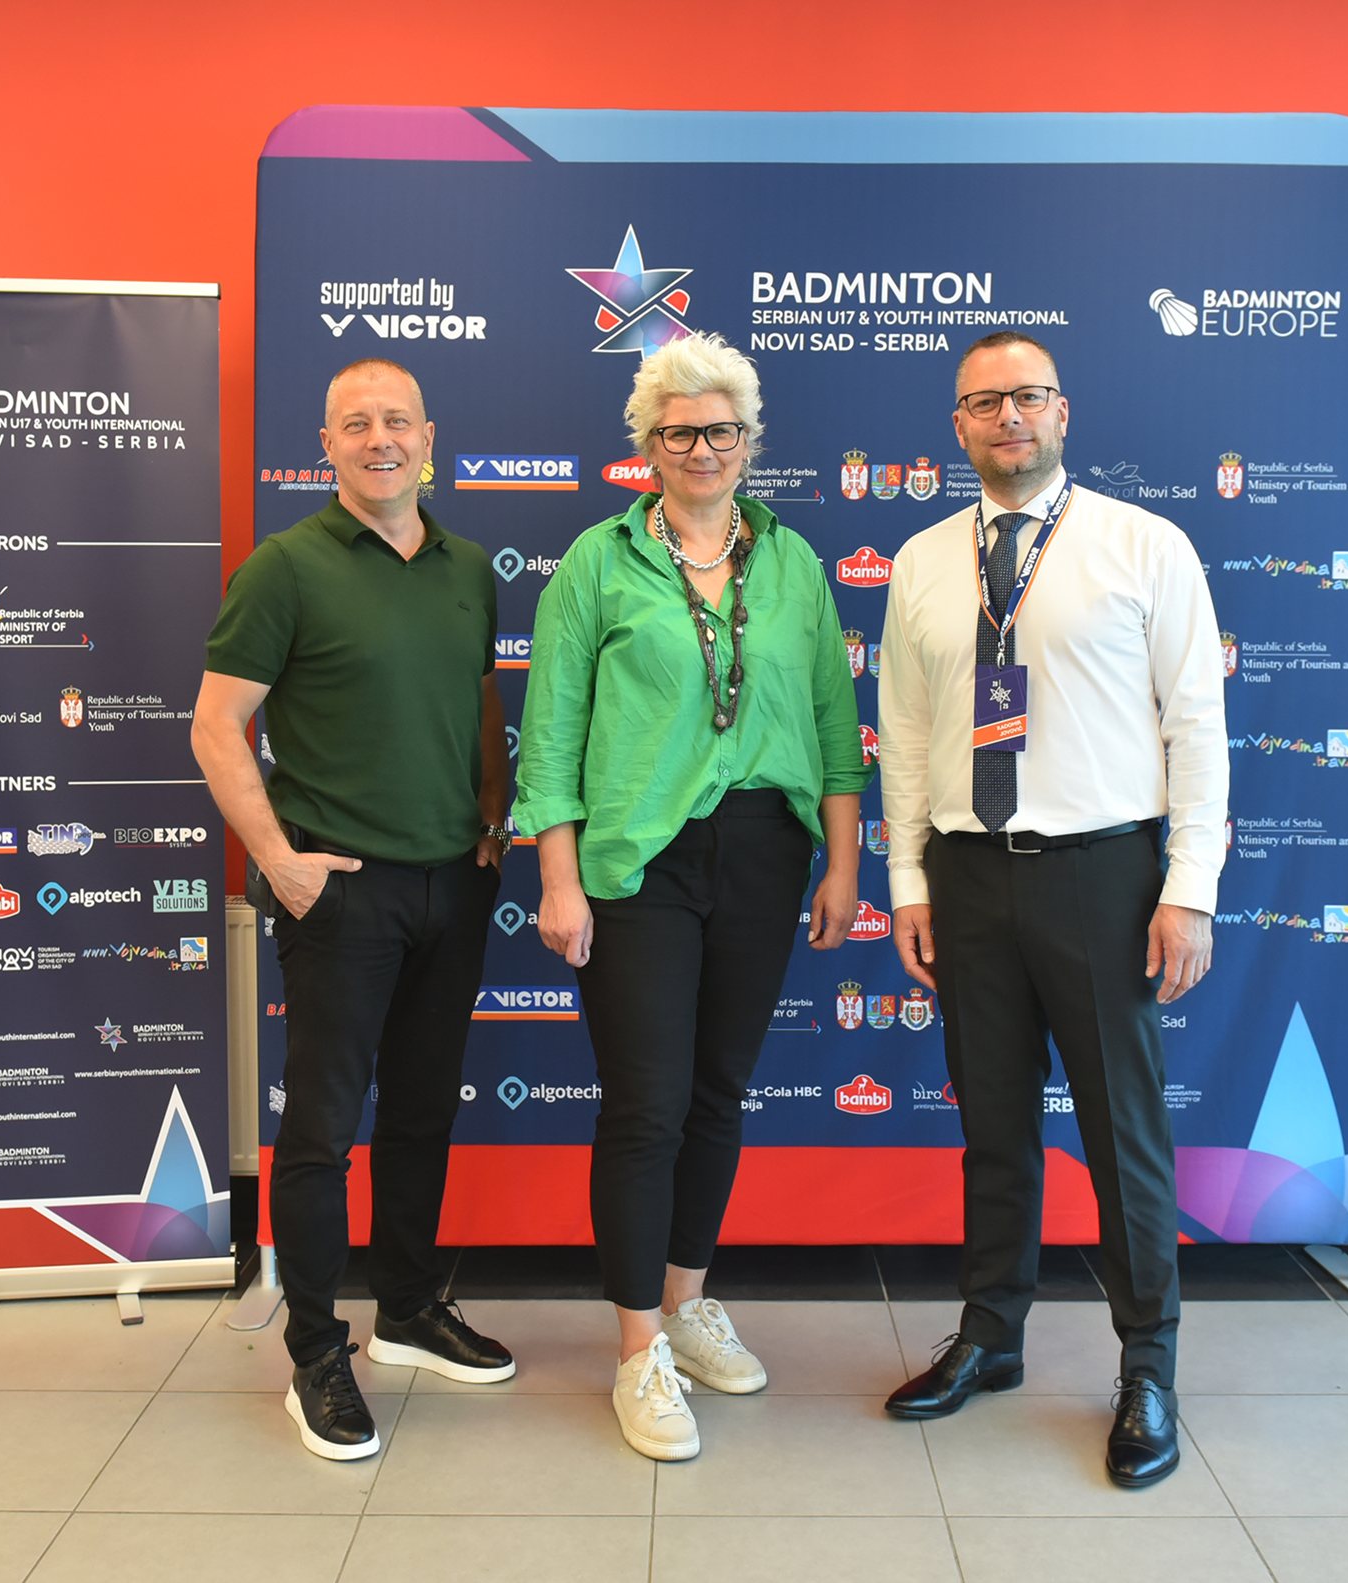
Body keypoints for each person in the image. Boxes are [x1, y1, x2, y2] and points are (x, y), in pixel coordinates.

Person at [875, 331, 1228, 1489]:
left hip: (1101, 872)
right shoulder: (923, 560)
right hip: (969, 872)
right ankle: (991, 1332)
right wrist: (910, 880)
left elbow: (1196, 725)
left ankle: (1148, 1364)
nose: (1007, 417)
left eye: (1026, 396)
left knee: (1123, 1130)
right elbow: (907, 733)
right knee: (992, 1121)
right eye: (983, 402)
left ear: (1061, 411)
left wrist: (1188, 888)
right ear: (958, 425)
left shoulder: (1142, 543)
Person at [514, 333, 867, 1462]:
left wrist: (844, 861)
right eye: (678, 432)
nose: (701, 448)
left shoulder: (793, 561)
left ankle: (685, 1301)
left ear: (749, 441)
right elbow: (551, 732)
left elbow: (833, 724)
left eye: (720, 430)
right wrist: (557, 876)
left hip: (765, 851)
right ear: (647, 447)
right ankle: (635, 1352)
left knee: (718, 1092)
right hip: (637, 861)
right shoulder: (597, 561)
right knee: (646, 1104)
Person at [192, 357, 517, 1462]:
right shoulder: (284, 567)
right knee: (324, 1132)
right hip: (339, 890)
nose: (380, 438)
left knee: (423, 1112)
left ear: (430, 438)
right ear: (325, 444)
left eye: (397, 420)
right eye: (355, 423)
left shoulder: (469, 566)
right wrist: (278, 859)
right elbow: (215, 725)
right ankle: (315, 1351)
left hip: (454, 882)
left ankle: (410, 1310)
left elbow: (480, 699)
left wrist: (491, 816)